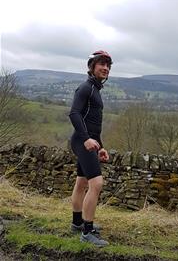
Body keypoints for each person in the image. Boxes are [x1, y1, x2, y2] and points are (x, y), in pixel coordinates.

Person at [68, 50, 113, 247]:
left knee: (81, 183)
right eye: (101, 64)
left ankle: (77, 222)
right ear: (92, 67)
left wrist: (100, 147)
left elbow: (93, 124)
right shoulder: (86, 88)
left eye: (108, 65)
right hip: (81, 141)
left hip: (88, 141)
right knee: (96, 184)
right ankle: (87, 232)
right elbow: (74, 114)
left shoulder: (96, 90)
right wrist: (86, 140)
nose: (105, 68)